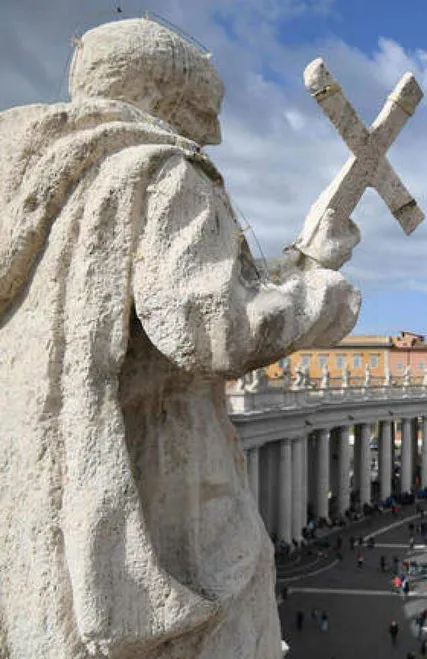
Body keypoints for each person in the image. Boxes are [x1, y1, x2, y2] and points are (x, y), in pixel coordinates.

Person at [0, 17, 362, 659]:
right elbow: (215, 328)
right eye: (205, 111)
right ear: (168, 95)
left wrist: (301, 257)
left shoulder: (29, 184)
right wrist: (322, 298)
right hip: (161, 486)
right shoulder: (159, 170)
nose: (214, 134)